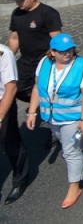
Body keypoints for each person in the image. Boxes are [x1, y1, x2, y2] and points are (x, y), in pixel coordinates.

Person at [26, 34, 83, 209]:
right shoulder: (44, 63)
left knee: (70, 151)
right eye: (62, 51)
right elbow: (37, 87)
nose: (67, 53)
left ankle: (74, 187)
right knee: (68, 142)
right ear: (52, 52)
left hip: (72, 118)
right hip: (51, 116)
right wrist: (31, 112)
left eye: (70, 49)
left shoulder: (82, 65)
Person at [7, 0, 62, 102]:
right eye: (16, 0)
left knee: (47, 89)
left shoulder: (48, 13)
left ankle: (45, 108)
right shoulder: (17, 13)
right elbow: (14, 38)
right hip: (26, 61)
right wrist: (7, 57)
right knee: (17, 88)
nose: (18, 3)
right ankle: (37, 103)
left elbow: (57, 39)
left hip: (45, 60)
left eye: (21, 0)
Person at [0, 37, 28, 205]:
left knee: (11, 144)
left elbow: (11, 88)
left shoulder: (4, 54)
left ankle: (20, 179)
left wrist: (1, 116)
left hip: (2, 102)